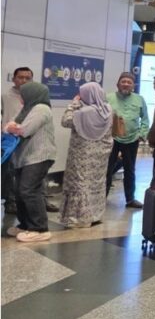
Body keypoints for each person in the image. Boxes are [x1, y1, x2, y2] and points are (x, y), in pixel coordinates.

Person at [5, 82, 56, 242]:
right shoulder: (27, 108)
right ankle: (25, 225)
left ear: (32, 94)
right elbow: (8, 126)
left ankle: (39, 228)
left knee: (29, 190)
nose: (20, 97)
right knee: (19, 191)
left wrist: (13, 127)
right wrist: (12, 127)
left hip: (39, 156)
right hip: (24, 157)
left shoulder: (41, 108)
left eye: (22, 94)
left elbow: (24, 130)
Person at [59, 83, 114, 228]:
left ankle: (79, 218)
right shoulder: (108, 110)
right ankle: (96, 214)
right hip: (100, 155)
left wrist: (73, 104)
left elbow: (65, 121)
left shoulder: (83, 113)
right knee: (96, 183)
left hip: (81, 155)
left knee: (80, 183)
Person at [107, 73, 149, 208]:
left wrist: (141, 134)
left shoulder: (139, 99)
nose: (126, 84)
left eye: (129, 82)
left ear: (133, 86)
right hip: (112, 139)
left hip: (132, 139)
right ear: (117, 84)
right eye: (123, 81)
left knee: (130, 170)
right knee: (107, 169)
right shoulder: (108, 98)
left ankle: (130, 199)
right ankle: (101, 198)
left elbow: (145, 119)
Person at [2, 67, 33, 212]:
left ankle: (40, 200)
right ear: (14, 79)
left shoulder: (35, 97)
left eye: (28, 78)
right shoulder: (5, 96)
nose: (24, 80)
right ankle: (10, 201)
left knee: (33, 170)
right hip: (10, 141)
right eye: (20, 77)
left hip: (30, 139)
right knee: (9, 172)